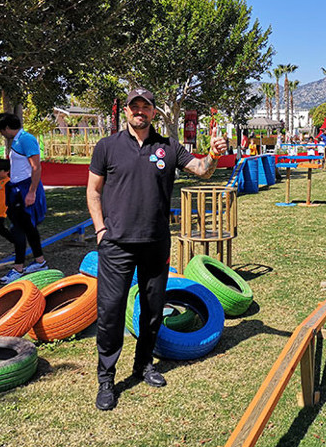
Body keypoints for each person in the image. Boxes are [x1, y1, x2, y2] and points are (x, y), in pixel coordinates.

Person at [87, 87, 228, 412]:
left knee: (153, 309)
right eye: (134, 106)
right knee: (110, 312)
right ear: (126, 111)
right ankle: (106, 378)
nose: (140, 111)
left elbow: (202, 169)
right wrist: (100, 230)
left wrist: (215, 154)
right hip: (116, 246)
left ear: (154, 112)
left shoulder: (169, 147)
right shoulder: (107, 147)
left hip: (155, 243)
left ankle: (143, 364)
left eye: (145, 106)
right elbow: (93, 191)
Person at [0, 113, 48, 284]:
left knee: (18, 229)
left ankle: (18, 268)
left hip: (25, 188)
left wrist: (31, 192)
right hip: (16, 188)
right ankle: (40, 261)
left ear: (7, 128)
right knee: (29, 228)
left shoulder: (26, 139)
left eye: (1, 131)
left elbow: (36, 168)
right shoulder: (17, 140)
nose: (2, 134)